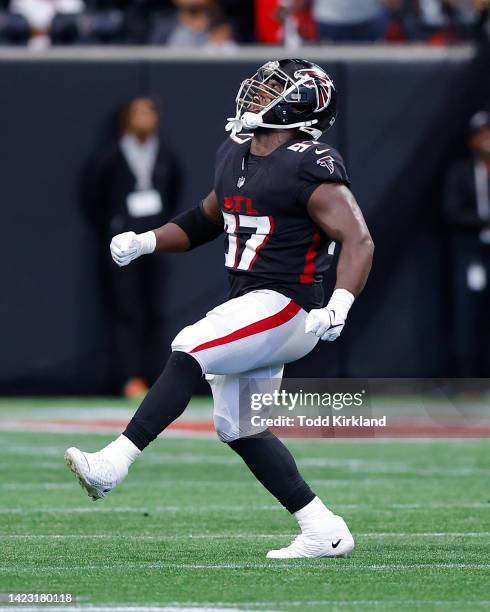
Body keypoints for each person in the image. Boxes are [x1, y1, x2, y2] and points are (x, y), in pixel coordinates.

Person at [65, 59, 374, 559]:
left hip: (291, 306)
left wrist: (339, 305)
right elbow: (208, 218)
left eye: (271, 89)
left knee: (191, 346)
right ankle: (323, 528)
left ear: (299, 105)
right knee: (240, 428)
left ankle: (114, 464)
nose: (255, 93)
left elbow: (358, 239)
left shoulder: (308, 163)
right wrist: (147, 241)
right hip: (253, 304)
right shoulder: (236, 152)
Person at [85, 97, 181, 398]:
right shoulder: (111, 156)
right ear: (126, 118)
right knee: (126, 310)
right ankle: (128, 377)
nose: (145, 118)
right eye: (138, 112)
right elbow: (93, 198)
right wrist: (114, 224)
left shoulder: (165, 155)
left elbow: (175, 191)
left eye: (150, 112)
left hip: (155, 242)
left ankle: (158, 377)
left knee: (155, 309)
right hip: (122, 242)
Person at [443, 110, 490, 376]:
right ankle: (466, 378)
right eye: (481, 134)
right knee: (465, 315)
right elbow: (451, 211)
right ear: (472, 140)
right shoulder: (461, 172)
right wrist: (482, 221)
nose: (487, 140)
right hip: (468, 254)